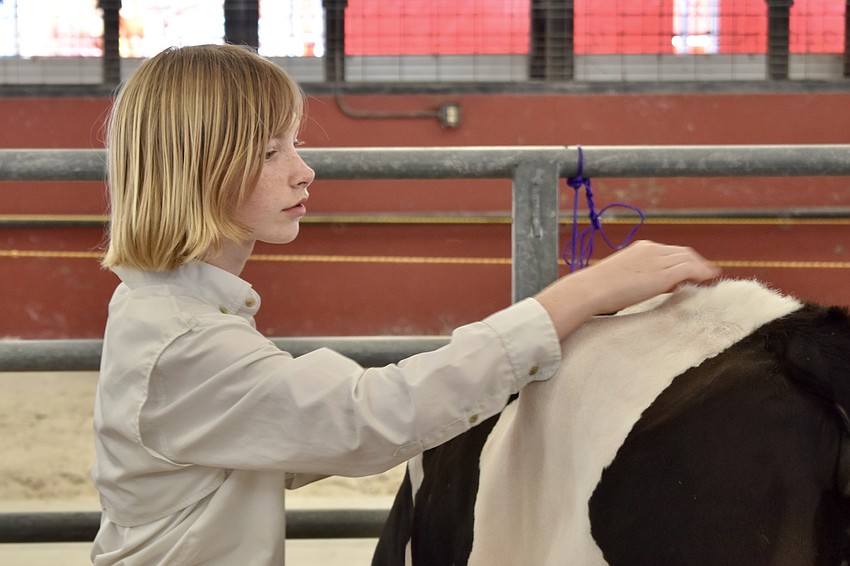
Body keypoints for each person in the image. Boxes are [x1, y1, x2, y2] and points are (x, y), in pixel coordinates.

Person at [90, 43, 720, 565]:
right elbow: (369, 419)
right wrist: (583, 294)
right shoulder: (180, 343)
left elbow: (303, 430)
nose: (303, 170)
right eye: (269, 152)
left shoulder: (174, 312)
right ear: (198, 168)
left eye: (293, 144)